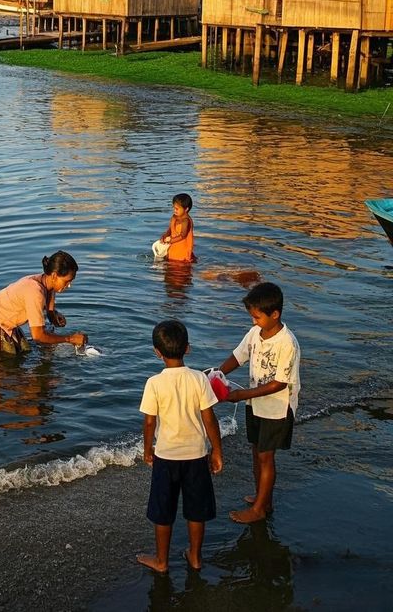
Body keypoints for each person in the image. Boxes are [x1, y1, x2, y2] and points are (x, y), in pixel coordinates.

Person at [137, 319, 223, 574]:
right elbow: (209, 417)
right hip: (197, 455)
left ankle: (162, 561)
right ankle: (195, 556)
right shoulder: (199, 378)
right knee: (197, 510)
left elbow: (149, 422)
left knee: (163, 510)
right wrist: (217, 450)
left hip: (166, 456)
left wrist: (147, 449)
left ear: (157, 352)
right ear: (188, 348)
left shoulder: (154, 383)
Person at [217, 281, 300, 524]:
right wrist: (217, 374)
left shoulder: (287, 343)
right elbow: (238, 356)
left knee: (266, 456)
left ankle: (260, 510)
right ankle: (264, 499)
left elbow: (279, 384)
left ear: (275, 314)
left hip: (277, 407)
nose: (254, 321)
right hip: (256, 404)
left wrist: (241, 395)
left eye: (258, 317)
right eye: (252, 316)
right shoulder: (255, 333)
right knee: (257, 452)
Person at [0, 250, 88, 354]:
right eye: (67, 281)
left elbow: (50, 310)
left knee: (25, 352)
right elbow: (38, 336)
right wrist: (70, 339)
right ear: (54, 275)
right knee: (8, 363)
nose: (69, 285)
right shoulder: (35, 292)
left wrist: (53, 315)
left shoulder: (48, 285)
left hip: (5, 320)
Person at [161, 193, 196, 262]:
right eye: (174, 208)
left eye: (177, 209)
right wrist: (165, 235)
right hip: (173, 248)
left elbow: (183, 235)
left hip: (182, 251)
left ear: (186, 209)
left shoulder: (186, 221)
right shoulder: (174, 217)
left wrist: (170, 240)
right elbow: (170, 229)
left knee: (180, 270)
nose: (174, 210)